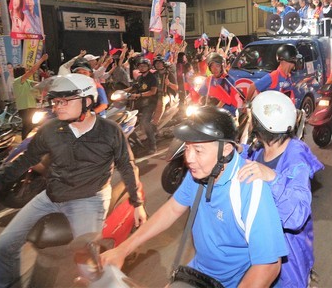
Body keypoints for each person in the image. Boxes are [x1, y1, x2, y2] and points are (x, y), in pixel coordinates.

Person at [0, 74, 146, 288]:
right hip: (51, 196)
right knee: (2, 247)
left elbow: (126, 165)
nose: (57, 107)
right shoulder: (51, 130)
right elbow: (26, 160)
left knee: (88, 266)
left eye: (64, 101)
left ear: (87, 101)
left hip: (89, 199)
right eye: (55, 101)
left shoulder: (109, 132)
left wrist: (137, 203)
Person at [100, 106, 287, 287]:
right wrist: (123, 249)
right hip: (198, 273)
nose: (189, 158)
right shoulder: (201, 172)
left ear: (226, 150)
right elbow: (172, 209)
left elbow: (269, 265)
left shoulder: (249, 188)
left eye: (198, 150)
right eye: (187, 148)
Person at [239, 91, 323, 287]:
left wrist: (271, 176)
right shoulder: (260, 150)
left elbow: (297, 214)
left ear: (261, 126)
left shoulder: (296, 159)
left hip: (287, 256)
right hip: (260, 247)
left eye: (252, 119)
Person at [13, 53, 49, 139]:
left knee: (34, 125)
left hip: (32, 107)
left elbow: (40, 85)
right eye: (25, 71)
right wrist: (42, 60)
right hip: (25, 108)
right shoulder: (17, 81)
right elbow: (32, 71)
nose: (27, 72)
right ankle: (24, 144)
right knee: (27, 126)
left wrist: (45, 77)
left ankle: (32, 142)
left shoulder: (27, 82)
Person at [127, 58, 157, 152]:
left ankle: (153, 146)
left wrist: (139, 95)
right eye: (140, 66)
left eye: (144, 66)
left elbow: (153, 91)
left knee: (145, 122)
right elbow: (133, 87)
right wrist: (120, 92)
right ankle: (136, 143)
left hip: (150, 103)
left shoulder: (152, 77)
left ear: (148, 67)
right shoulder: (140, 78)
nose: (142, 67)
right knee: (128, 120)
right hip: (139, 102)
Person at [151, 55, 178, 128]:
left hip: (167, 94)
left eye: (160, 63)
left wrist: (169, 84)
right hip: (155, 94)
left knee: (161, 101)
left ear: (163, 64)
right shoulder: (153, 75)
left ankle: (155, 124)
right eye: (156, 63)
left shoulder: (169, 74)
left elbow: (176, 87)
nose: (158, 65)